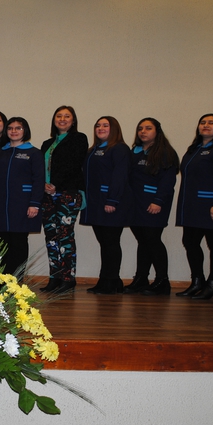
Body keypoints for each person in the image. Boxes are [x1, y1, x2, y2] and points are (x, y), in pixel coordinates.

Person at [175, 114, 213, 300]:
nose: (206, 126)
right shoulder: (195, 149)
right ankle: (197, 282)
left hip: (212, 205)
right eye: (203, 123)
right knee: (190, 242)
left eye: (211, 123)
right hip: (192, 206)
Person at [0, 117, 45, 276]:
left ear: (25, 131)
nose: (14, 131)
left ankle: (16, 281)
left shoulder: (34, 153)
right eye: (10, 128)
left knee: (18, 243)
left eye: (18, 128)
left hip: (22, 205)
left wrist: (34, 203)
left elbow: (39, 179)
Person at [80, 116, 135, 294]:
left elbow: (120, 176)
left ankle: (111, 281)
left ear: (114, 129)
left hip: (111, 203)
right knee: (104, 243)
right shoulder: (92, 150)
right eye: (98, 125)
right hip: (95, 203)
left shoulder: (120, 149)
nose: (101, 128)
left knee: (111, 243)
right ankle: (107, 280)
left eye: (105, 125)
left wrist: (112, 200)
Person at [125, 118, 179, 296]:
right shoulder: (135, 151)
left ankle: (162, 281)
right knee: (143, 241)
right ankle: (141, 278)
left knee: (153, 240)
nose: (143, 131)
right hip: (135, 204)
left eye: (148, 128)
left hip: (153, 204)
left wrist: (158, 201)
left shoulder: (165, 152)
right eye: (140, 128)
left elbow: (168, 181)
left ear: (157, 131)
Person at [39, 106, 88, 294]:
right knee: (51, 237)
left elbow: (73, 165)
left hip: (67, 194)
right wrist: (44, 185)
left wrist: (56, 185)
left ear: (73, 120)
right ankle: (55, 277)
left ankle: (68, 278)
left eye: (67, 116)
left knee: (65, 236)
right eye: (59, 116)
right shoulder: (47, 143)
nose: (62, 119)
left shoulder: (78, 138)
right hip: (47, 196)